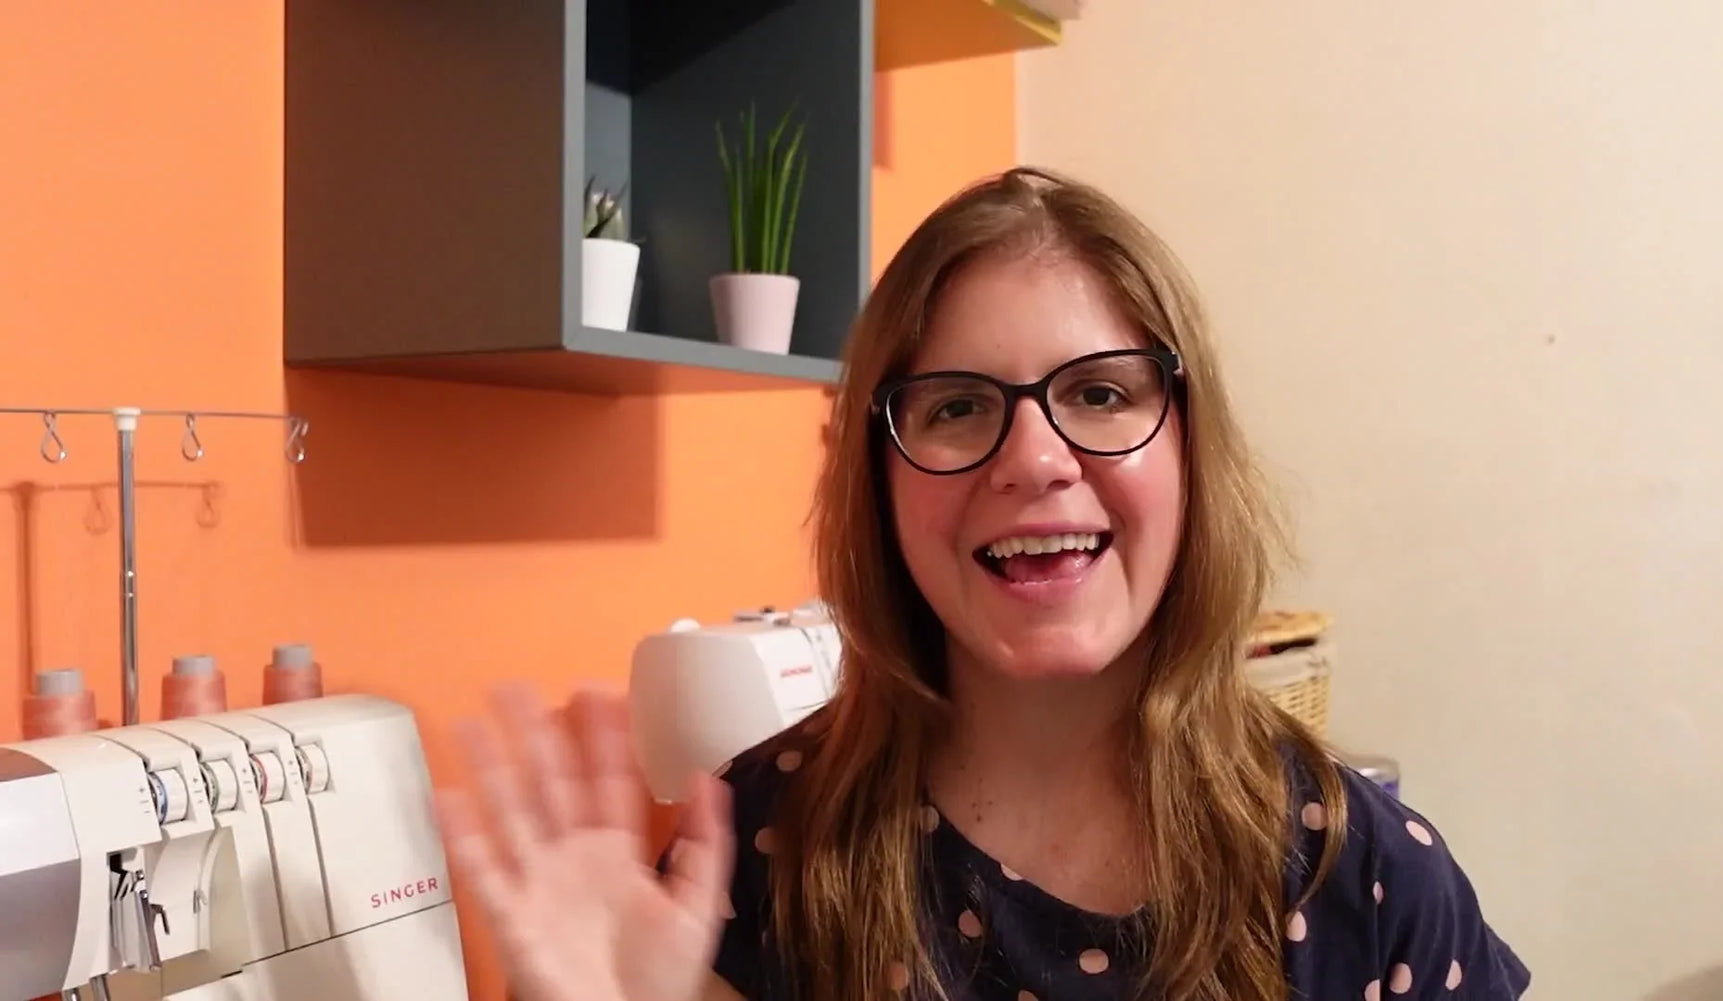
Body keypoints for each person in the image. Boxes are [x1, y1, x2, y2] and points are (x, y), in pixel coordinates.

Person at [435, 167, 1532, 1001]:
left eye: (1100, 392)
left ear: (1191, 446)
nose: (1035, 456)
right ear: (877, 474)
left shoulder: (1361, 869)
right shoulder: (764, 846)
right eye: (956, 405)